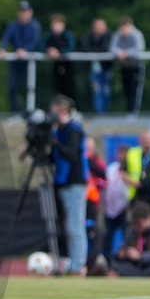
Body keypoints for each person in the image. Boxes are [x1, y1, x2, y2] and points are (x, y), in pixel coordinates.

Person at [48, 94, 89, 276]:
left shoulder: (73, 130)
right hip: (62, 182)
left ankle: (78, 265)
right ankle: (73, 262)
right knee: (69, 226)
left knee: (75, 225)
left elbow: (72, 155)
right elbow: (53, 157)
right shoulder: (58, 131)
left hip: (74, 183)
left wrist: (55, 142)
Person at [0, 1, 41, 112]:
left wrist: (25, 50)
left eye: (26, 11)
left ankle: (29, 113)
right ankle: (14, 113)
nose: (24, 14)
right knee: (12, 88)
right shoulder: (13, 25)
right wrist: (2, 48)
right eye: (22, 11)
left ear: (31, 12)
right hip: (16, 62)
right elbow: (6, 38)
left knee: (29, 88)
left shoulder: (34, 26)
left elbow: (35, 42)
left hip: (29, 62)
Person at [109, 16, 146, 115]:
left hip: (136, 66)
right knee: (126, 90)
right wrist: (119, 52)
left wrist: (126, 53)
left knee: (135, 90)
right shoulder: (118, 34)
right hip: (125, 66)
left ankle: (134, 113)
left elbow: (139, 48)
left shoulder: (137, 34)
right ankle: (128, 111)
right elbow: (112, 47)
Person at [84, 136, 107, 274]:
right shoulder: (79, 160)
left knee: (92, 230)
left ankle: (91, 261)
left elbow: (104, 177)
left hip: (91, 202)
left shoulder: (95, 162)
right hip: (78, 202)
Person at [103, 144, 130, 260]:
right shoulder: (111, 168)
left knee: (127, 237)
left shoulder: (131, 169)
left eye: (124, 154)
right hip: (110, 209)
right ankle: (107, 262)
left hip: (125, 209)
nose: (121, 156)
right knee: (108, 237)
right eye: (120, 153)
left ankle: (127, 261)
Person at [82, 18, 113, 114]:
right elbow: (85, 48)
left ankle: (106, 111)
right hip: (94, 69)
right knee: (97, 91)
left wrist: (94, 51)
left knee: (106, 91)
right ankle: (100, 113)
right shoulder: (90, 35)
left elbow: (106, 48)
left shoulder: (109, 35)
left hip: (107, 68)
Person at [42, 14, 76, 101]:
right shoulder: (49, 36)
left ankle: (70, 107)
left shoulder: (67, 35)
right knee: (57, 87)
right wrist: (48, 51)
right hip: (56, 65)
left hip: (67, 65)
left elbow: (71, 47)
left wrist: (59, 53)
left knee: (68, 87)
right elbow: (41, 46)